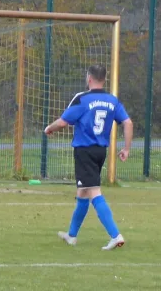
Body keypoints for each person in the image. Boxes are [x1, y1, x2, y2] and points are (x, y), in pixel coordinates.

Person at [44, 64, 133, 250]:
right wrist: (126, 148)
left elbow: (62, 122)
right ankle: (72, 235)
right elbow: (127, 122)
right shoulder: (112, 100)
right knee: (82, 192)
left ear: (89, 78)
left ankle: (115, 235)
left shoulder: (82, 99)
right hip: (101, 151)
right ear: (104, 79)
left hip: (85, 151)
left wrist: (49, 128)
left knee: (93, 192)